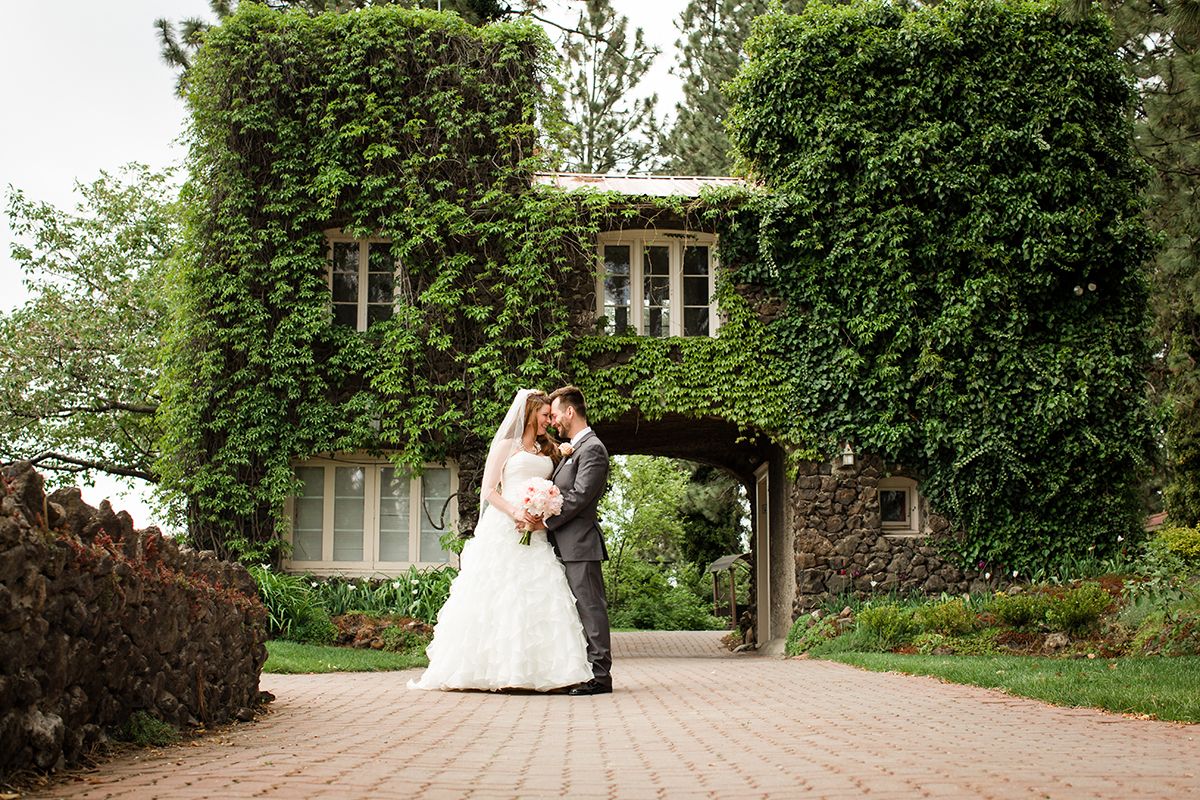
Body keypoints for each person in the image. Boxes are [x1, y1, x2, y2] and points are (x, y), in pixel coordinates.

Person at [408, 389, 593, 692]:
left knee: (538, 594)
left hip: (536, 530)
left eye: (551, 415)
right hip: (506, 526)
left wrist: (542, 510)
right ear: (531, 412)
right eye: (545, 415)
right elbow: (488, 491)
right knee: (500, 595)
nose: (549, 421)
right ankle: (492, 670)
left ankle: (543, 673)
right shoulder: (507, 445)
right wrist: (516, 512)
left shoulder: (550, 449)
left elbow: (558, 485)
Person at [526, 385, 613, 696]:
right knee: (574, 611)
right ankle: (581, 670)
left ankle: (600, 677)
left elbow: (578, 497)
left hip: (580, 544)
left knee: (591, 607)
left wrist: (544, 520)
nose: (554, 421)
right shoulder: (575, 447)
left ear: (571, 411)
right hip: (563, 542)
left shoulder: (593, 449)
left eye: (557, 413)